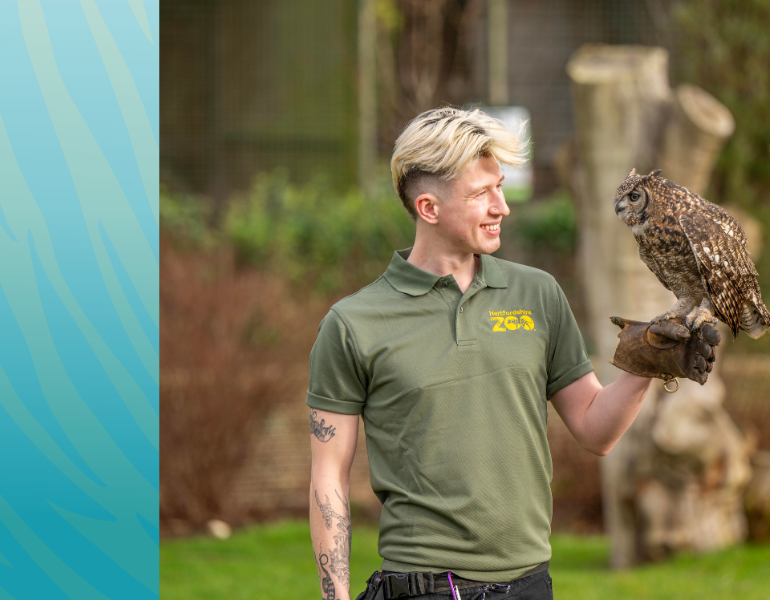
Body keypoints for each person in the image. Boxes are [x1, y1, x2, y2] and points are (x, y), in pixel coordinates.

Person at [307, 107, 717, 600]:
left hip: (529, 585)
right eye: (481, 194)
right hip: (424, 588)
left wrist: (643, 364)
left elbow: (595, 430)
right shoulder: (354, 323)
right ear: (429, 208)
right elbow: (328, 476)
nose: (501, 206)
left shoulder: (538, 294)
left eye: (500, 187)